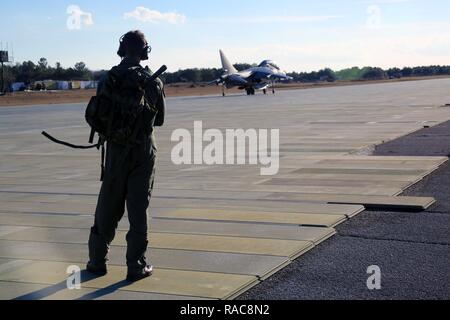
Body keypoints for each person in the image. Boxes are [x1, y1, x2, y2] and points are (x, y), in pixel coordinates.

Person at [86, 30, 165, 282]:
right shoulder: (152, 80)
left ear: (122, 49)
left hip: (115, 149)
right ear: (144, 51)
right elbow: (160, 120)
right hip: (143, 150)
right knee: (138, 208)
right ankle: (136, 265)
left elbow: (101, 114)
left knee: (108, 204)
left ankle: (97, 261)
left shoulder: (108, 78)